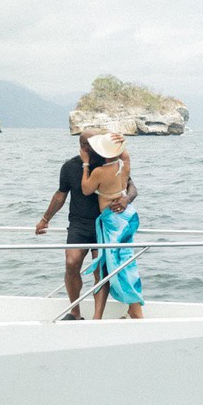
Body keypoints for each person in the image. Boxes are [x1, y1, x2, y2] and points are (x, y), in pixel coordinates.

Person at [35, 130, 138, 319]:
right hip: (79, 224)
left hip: (104, 225)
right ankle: (75, 312)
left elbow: (131, 186)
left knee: (101, 271)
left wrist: (126, 199)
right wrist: (45, 219)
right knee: (71, 263)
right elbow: (60, 195)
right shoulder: (70, 167)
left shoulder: (109, 162)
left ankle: (96, 318)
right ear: (84, 147)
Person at [80, 133, 144, 319]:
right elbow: (125, 154)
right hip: (127, 216)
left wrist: (85, 165)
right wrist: (120, 141)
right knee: (125, 258)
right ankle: (133, 306)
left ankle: (134, 307)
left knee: (118, 262)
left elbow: (86, 189)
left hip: (113, 221)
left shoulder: (99, 172)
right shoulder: (124, 165)